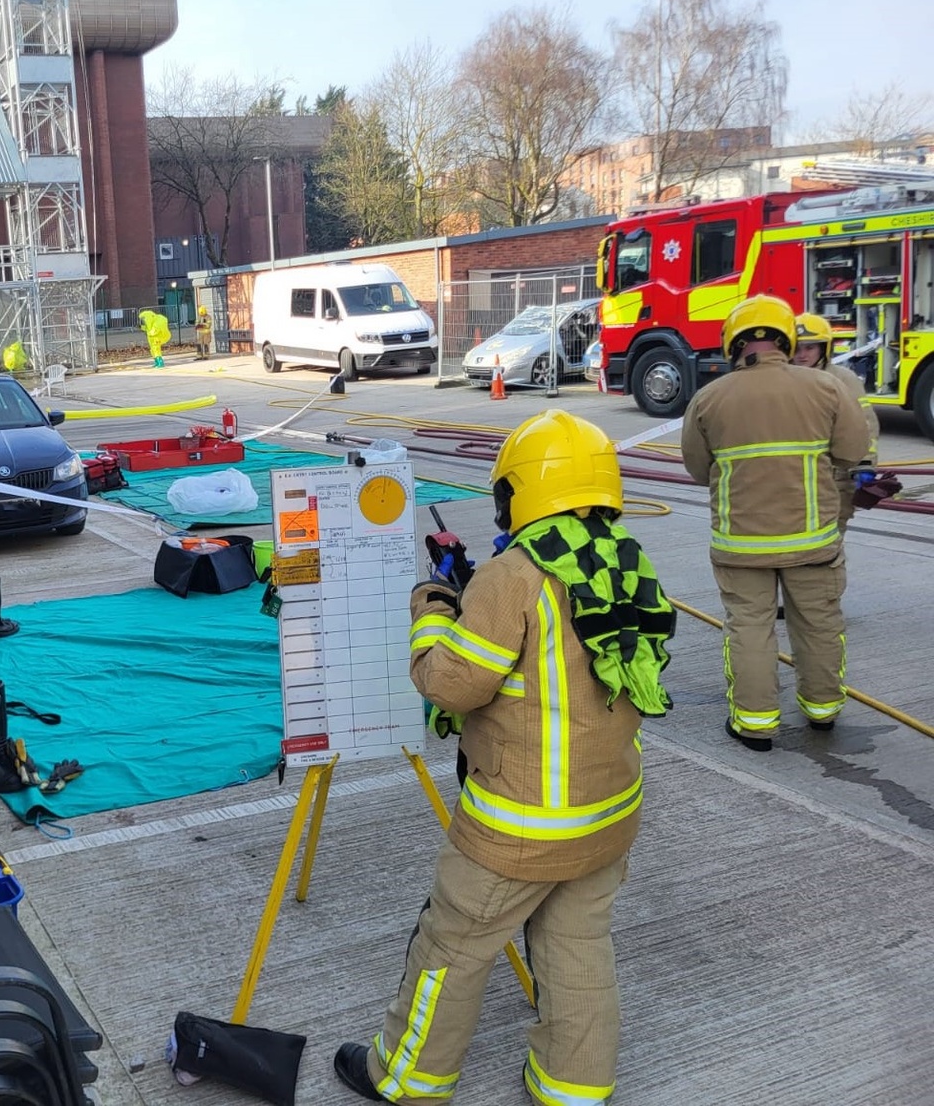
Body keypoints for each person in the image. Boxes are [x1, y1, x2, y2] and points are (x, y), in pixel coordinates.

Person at [334, 409, 675, 1105]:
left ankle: (406, 1079)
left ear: (518, 493)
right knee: (577, 947)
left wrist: (435, 604)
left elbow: (452, 682)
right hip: (606, 816)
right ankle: (572, 1086)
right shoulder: (622, 558)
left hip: (520, 827)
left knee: (453, 945)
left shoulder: (512, 575)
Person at [681, 295, 871, 752]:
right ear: (786, 338)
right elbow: (851, 452)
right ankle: (822, 712)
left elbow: (696, 467)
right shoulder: (827, 389)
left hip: (741, 545)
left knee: (749, 628)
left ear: (734, 343)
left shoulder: (708, 398)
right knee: (819, 624)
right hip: (814, 542)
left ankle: (755, 724)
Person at [792, 312, 880, 535]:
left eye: (810, 348)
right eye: (797, 348)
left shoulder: (842, 380)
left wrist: (865, 464)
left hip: (835, 480)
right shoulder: (781, 381)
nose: (802, 355)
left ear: (824, 348)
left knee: (830, 542)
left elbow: (864, 425)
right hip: (792, 481)